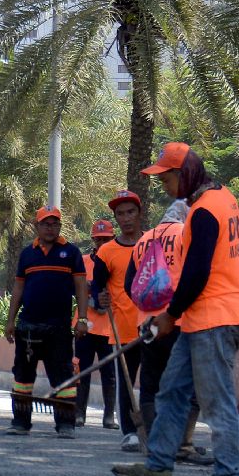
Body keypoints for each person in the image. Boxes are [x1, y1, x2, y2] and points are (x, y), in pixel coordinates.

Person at [113, 142, 239, 476]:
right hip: (200, 318)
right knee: (172, 392)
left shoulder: (205, 210)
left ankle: (228, 475)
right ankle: (159, 466)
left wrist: (170, 314)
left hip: (214, 318)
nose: (164, 186)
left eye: (167, 178)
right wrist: (232, 271)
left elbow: (196, 272)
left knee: (216, 397)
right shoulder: (225, 198)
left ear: (185, 174)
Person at [125, 199, 209, 465]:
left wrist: (146, 309)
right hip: (179, 321)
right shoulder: (186, 234)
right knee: (189, 386)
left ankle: (153, 441)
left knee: (150, 385)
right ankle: (183, 445)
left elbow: (130, 284)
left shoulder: (144, 240)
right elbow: (197, 274)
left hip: (148, 325)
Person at [5, 206, 89, 439]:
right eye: (45, 224)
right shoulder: (26, 254)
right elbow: (19, 288)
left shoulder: (71, 253)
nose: (50, 228)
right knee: (22, 376)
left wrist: (82, 318)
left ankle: (65, 424)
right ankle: (20, 422)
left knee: (63, 377)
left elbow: (81, 287)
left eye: (54, 224)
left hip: (59, 329)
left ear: (60, 226)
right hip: (28, 328)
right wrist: (10, 321)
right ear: (37, 226)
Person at [91, 190, 146, 451]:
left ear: (140, 213)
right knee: (125, 381)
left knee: (152, 382)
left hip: (152, 326)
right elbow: (97, 287)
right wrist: (99, 297)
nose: (126, 218)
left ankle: (152, 429)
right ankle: (130, 432)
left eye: (130, 212)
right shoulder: (106, 252)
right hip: (122, 326)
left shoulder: (152, 243)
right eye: (120, 214)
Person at [74, 219, 117, 429]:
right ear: (93, 240)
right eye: (98, 239)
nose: (101, 243)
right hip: (85, 325)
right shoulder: (83, 262)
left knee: (109, 374)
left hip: (109, 327)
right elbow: (75, 286)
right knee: (82, 371)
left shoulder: (116, 258)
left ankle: (109, 416)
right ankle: (79, 413)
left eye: (106, 239)